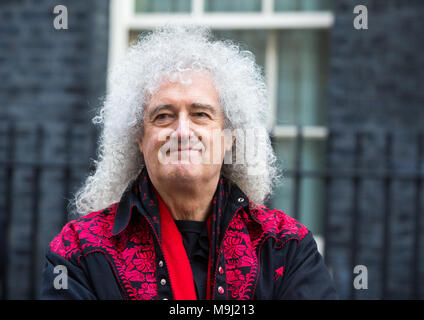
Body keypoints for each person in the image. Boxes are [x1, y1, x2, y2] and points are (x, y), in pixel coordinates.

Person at [40, 25, 338, 300]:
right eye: (163, 116)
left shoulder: (286, 247)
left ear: (228, 137)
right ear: (140, 139)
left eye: (200, 114)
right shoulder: (79, 250)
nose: (182, 132)